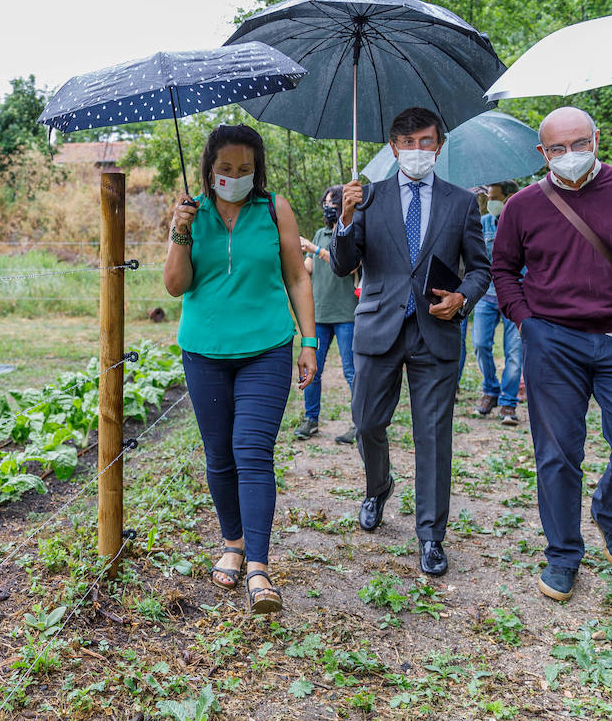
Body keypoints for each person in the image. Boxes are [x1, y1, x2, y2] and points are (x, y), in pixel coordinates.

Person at [492, 106, 612, 602]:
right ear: (543, 153)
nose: (570, 155)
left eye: (579, 143)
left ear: (596, 140)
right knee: (557, 454)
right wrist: (526, 323)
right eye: (558, 148)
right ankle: (562, 555)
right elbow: (504, 269)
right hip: (554, 339)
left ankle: (611, 513)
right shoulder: (524, 205)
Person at [164, 124, 319, 615]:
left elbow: (297, 276)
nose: (235, 177)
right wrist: (180, 231)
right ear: (209, 169)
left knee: (252, 450)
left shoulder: (274, 209)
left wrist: (309, 341)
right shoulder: (192, 213)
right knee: (220, 455)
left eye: (245, 169)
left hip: (266, 347)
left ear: (258, 170)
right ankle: (231, 541)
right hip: (204, 350)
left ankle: (258, 564)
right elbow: (174, 285)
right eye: (226, 169)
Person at [331, 107, 491, 577]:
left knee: (433, 438)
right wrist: (344, 218)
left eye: (425, 141)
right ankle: (378, 487)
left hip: (436, 334)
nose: (416, 150)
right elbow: (344, 265)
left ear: (438, 147)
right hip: (378, 327)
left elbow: (480, 268)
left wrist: (462, 298)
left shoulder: (462, 202)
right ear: (392, 146)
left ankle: (430, 536)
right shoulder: (366, 197)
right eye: (407, 141)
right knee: (365, 422)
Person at [293, 184, 358, 444]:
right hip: (318, 314)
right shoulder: (320, 234)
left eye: (334, 203)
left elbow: (350, 266)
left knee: (352, 371)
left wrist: (315, 250)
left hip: (345, 315)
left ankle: (359, 423)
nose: (328, 208)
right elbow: (308, 268)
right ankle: (311, 419)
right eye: (326, 203)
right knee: (312, 370)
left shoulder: (349, 234)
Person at [472, 181, 524, 426]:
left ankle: (508, 402)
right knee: (480, 344)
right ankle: (490, 390)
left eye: (494, 197)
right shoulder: (483, 224)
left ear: (509, 197)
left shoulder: (524, 222)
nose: (490, 201)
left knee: (514, 352)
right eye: (488, 197)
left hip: (517, 296)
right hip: (486, 296)